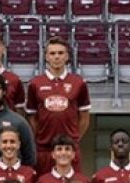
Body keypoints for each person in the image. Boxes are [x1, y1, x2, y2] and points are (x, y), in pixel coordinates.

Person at [25, 36, 91, 175]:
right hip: (44, 149)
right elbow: (31, 117)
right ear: (46, 57)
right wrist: (41, 137)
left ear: (67, 56)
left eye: (60, 53)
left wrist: (73, 139)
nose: (56, 57)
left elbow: (84, 117)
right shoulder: (35, 83)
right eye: (52, 53)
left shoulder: (78, 83)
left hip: (69, 149)